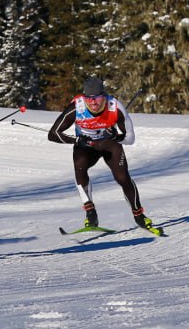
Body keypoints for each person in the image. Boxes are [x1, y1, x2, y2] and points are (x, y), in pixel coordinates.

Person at [47, 76, 158, 232]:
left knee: (123, 178)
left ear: (104, 97)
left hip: (108, 145)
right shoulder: (77, 107)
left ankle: (139, 215)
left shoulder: (115, 107)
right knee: (80, 167)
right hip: (86, 146)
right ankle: (91, 213)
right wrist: (77, 140)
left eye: (97, 98)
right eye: (88, 98)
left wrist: (115, 136)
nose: (93, 103)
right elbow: (53, 134)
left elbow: (130, 138)